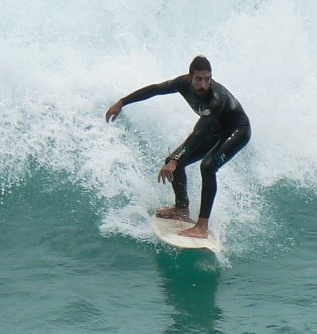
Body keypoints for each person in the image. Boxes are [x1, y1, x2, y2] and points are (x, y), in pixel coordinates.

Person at [105, 56, 251, 239]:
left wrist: (176, 159)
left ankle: (202, 227)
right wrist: (122, 102)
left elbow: (199, 132)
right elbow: (155, 90)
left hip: (237, 131)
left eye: (208, 79)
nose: (204, 84)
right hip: (214, 129)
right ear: (190, 77)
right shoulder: (182, 83)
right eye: (199, 79)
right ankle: (182, 208)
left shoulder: (216, 98)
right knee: (174, 161)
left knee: (207, 167)